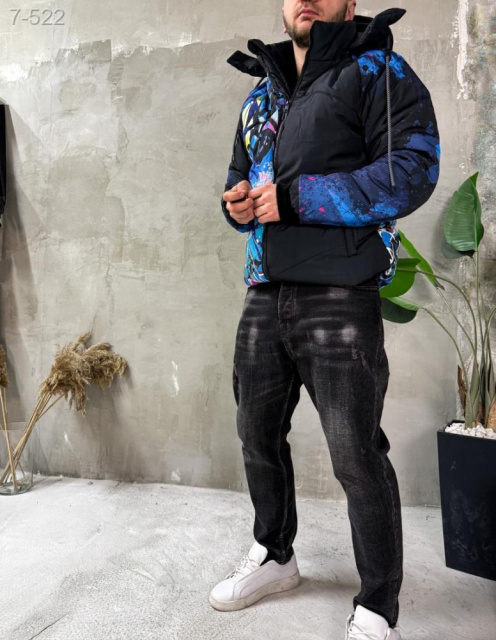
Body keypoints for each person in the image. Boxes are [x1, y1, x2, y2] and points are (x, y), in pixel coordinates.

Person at [210, 2, 440, 639]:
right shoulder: (261, 93)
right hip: (265, 290)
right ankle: (275, 555)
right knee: (256, 435)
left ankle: (378, 603)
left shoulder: (379, 70)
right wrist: (238, 205)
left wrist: (293, 197)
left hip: (340, 291)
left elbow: (411, 171)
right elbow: (240, 177)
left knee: (354, 454)